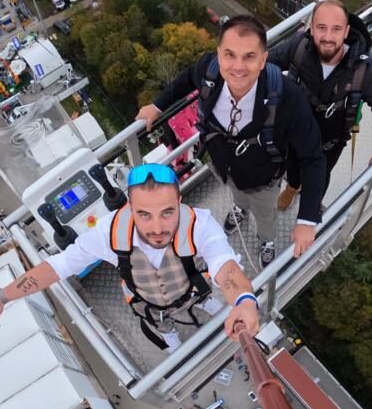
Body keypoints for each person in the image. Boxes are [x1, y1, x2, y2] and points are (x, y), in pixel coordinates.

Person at [0, 164, 260, 352]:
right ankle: (171, 337)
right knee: (160, 321)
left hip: (190, 287)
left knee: (200, 292)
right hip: (148, 302)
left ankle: (205, 302)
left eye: (167, 212)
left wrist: (244, 302)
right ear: (129, 207)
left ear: (179, 202)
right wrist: (2, 297)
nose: (157, 228)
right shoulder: (109, 232)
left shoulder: (199, 223)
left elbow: (225, 267)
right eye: (144, 214)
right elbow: (58, 267)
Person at [136, 16, 326, 266]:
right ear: (219, 54)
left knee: (265, 215)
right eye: (230, 55)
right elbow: (187, 78)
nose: (238, 67)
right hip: (223, 166)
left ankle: (266, 240)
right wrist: (158, 106)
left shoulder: (287, 98)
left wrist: (307, 220)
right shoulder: (209, 70)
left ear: (263, 59)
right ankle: (240, 208)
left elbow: (313, 157)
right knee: (237, 194)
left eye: (249, 56)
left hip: (264, 179)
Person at [268, 0, 372, 210]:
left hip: (330, 141)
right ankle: (293, 187)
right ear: (311, 28)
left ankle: (313, 199)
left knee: (320, 174)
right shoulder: (299, 47)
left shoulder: (364, 69)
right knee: (292, 165)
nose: (328, 37)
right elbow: (266, 62)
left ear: (346, 31)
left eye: (336, 29)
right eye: (321, 28)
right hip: (295, 131)